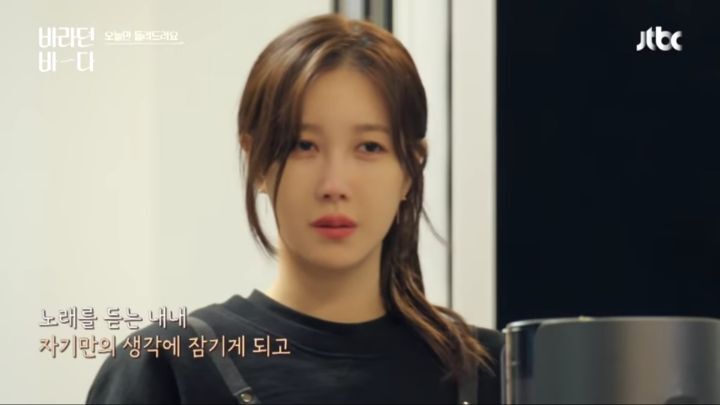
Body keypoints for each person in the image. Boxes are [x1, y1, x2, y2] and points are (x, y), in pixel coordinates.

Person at [86, 13, 503, 404]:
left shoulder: (493, 372)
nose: (334, 185)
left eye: (369, 147)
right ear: (258, 162)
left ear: (410, 169)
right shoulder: (168, 366)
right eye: (304, 146)